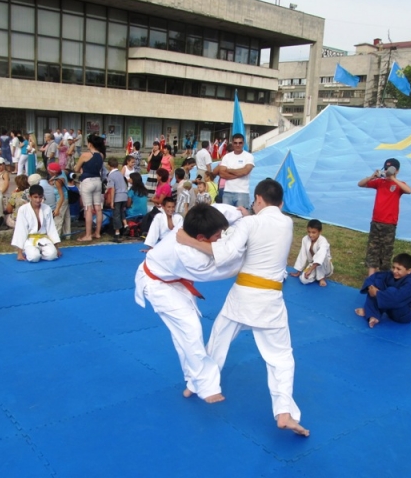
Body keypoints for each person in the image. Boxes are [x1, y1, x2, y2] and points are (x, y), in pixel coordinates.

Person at [177, 178, 309, 437]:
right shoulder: (287, 222)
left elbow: (223, 253)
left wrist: (188, 240)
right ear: (280, 203)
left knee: (218, 339)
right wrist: (247, 220)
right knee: (281, 357)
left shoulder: (250, 223)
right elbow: (265, 226)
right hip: (271, 299)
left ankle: (196, 384)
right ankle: (284, 411)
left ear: (258, 198)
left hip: (243, 295)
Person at [135, 204, 243, 403]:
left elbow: (216, 209)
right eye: (217, 235)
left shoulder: (191, 224)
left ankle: (194, 382)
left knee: (183, 334)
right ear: (201, 238)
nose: (220, 237)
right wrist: (248, 259)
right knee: (190, 330)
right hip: (158, 286)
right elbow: (223, 269)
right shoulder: (189, 255)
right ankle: (206, 387)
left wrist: (241, 213)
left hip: (172, 277)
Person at [357, 158, 411, 276]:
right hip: (376, 221)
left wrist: (393, 178)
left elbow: (409, 190)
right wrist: (372, 176)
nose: (387, 171)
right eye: (386, 169)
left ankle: (383, 276)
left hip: (389, 223)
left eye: (391, 169)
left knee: (386, 251)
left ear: (397, 171)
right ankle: (371, 277)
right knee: (373, 248)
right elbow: (360, 184)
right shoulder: (379, 182)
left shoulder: (398, 185)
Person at [355, 253, 411, 328]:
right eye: (393, 267)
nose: (394, 271)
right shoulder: (391, 274)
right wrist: (371, 287)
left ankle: (370, 311)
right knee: (377, 283)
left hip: (404, 315)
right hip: (392, 309)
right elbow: (375, 277)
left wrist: (377, 293)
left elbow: (395, 299)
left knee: (390, 291)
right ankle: (372, 315)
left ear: (409, 271)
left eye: (398, 269)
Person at [11, 184, 62, 262]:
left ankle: (41, 251)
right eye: (35, 197)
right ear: (30, 197)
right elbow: (20, 230)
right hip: (29, 239)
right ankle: (31, 251)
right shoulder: (23, 210)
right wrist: (19, 253)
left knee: (52, 255)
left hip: (43, 239)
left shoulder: (47, 208)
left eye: (40, 197)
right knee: (34, 258)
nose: (38, 200)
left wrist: (56, 248)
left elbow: (51, 228)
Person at [74, 134, 105, 241]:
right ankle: (97, 233)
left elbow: (77, 169)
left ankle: (88, 235)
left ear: (90, 144)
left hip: (87, 181)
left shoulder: (85, 155)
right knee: (98, 208)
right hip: (97, 181)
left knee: (88, 209)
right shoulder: (101, 155)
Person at [289, 219, 333, 286]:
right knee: (303, 280)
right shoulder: (305, 239)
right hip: (313, 264)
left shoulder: (323, 241)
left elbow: (320, 257)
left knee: (322, 257)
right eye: (309, 232)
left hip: (325, 266)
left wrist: (310, 269)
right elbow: (302, 254)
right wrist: (298, 272)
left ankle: (321, 278)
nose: (310, 235)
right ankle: (316, 275)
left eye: (313, 232)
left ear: (320, 231)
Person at [218, 133, 254, 209]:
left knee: (242, 218)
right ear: (232, 144)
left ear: (243, 143)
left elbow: (246, 171)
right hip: (227, 191)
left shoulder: (249, 156)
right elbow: (222, 174)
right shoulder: (227, 157)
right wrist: (240, 173)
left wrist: (229, 170)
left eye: (240, 143)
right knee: (227, 219)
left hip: (242, 192)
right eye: (235, 143)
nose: (238, 145)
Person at [105, 157, 128, 242]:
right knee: (121, 212)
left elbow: (112, 189)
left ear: (109, 165)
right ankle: (125, 225)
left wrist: (111, 202)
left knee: (116, 214)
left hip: (117, 197)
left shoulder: (111, 175)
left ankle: (117, 233)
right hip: (124, 195)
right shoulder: (120, 174)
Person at [47, 163, 71, 239]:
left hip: (61, 200)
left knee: (58, 218)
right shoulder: (62, 173)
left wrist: (57, 209)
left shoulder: (58, 182)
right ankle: (67, 234)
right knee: (67, 218)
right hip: (66, 198)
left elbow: (61, 196)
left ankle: (55, 236)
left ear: (53, 172)